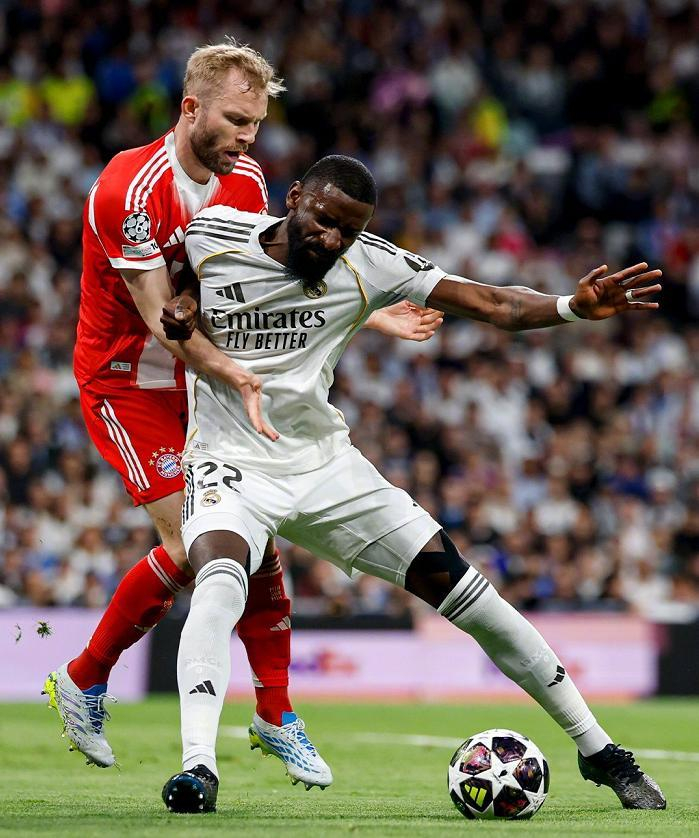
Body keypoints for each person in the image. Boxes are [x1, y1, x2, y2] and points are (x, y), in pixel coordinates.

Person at [160, 154, 666, 814]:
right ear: (293, 198)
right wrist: (181, 307)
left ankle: (599, 750)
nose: (332, 239)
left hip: (324, 468)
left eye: (348, 229)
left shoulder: (370, 262)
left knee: (470, 595)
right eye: (323, 220)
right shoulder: (213, 234)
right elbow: (169, 287)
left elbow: (494, 303)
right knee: (219, 583)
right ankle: (198, 769)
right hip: (229, 463)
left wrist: (572, 307)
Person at [43, 43, 442, 790]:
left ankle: (272, 712)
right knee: (192, 544)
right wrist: (234, 372)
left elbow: (261, 277)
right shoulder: (128, 190)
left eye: (256, 123)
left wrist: (370, 313)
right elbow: (164, 320)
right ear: (190, 107)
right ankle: (87, 676)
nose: (247, 137)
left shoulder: (247, 178)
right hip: (131, 380)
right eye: (234, 120)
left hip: (206, 377)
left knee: (247, 534)